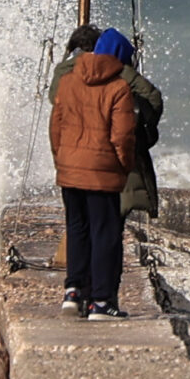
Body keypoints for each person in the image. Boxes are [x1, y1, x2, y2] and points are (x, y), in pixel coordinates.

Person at [50, 27, 137, 320]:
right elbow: (122, 137)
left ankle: (73, 293)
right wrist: (123, 167)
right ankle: (101, 302)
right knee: (105, 234)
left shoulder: (67, 81)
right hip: (102, 174)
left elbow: (56, 127)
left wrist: (61, 159)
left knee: (77, 230)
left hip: (70, 169)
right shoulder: (119, 88)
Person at [49, 26, 163, 219]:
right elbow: (152, 100)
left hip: (72, 164)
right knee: (107, 227)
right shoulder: (119, 76)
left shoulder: (65, 75)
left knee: (80, 225)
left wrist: (60, 159)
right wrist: (145, 132)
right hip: (108, 167)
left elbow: (55, 119)